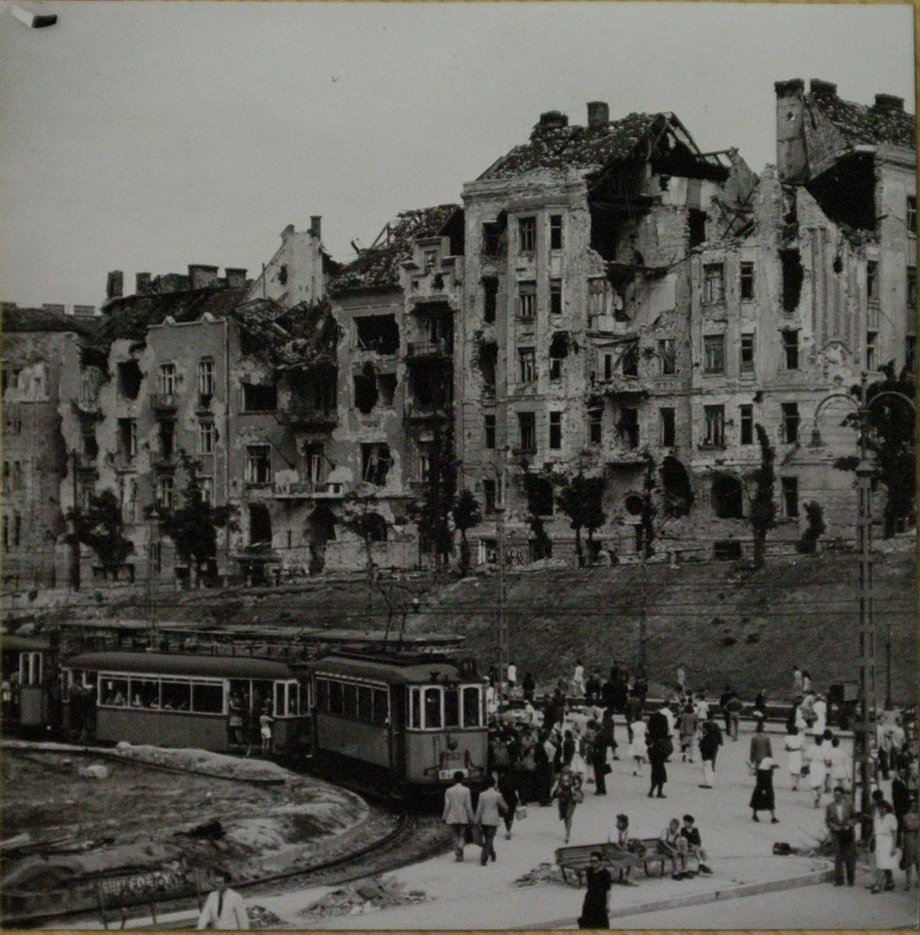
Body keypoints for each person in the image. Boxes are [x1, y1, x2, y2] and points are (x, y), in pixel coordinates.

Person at [824, 786, 857, 887]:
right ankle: (839, 880)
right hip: (837, 833)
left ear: (842, 795)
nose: (836, 796)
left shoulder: (849, 804)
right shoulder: (830, 806)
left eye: (838, 794)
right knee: (838, 856)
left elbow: (855, 817)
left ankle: (850, 879)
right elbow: (827, 820)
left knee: (849, 856)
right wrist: (834, 827)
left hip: (847, 833)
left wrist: (849, 824)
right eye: (835, 794)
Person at [473, 774, 507, 866]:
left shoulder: (482, 795)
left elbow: (479, 809)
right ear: (494, 783)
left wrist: (476, 820)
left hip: (484, 820)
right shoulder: (498, 795)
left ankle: (492, 854)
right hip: (493, 820)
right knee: (490, 839)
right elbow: (505, 807)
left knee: (488, 838)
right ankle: (484, 858)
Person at [443, 771, 474, 861]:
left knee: (455, 835)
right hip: (463, 815)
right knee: (462, 834)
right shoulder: (466, 790)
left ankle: (458, 855)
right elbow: (468, 806)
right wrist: (471, 818)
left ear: (454, 779)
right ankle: (461, 847)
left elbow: (447, 806)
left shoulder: (448, 790)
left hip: (452, 815)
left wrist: (444, 817)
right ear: (462, 779)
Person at [578, 852, 612, 929]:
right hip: (589, 899)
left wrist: (608, 904)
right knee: (587, 922)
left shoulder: (606, 874)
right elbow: (588, 885)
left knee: (600, 923)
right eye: (591, 861)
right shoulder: (589, 871)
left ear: (600, 862)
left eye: (595, 861)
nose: (593, 863)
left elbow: (608, 890)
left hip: (600, 900)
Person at [870, 800, 898, 893]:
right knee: (884, 863)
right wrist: (873, 842)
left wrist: (893, 847)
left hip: (888, 841)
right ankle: (890, 883)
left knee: (883, 864)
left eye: (883, 808)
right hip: (879, 842)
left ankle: (878, 885)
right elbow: (875, 832)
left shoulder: (891, 817)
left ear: (887, 808)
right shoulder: (877, 819)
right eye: (879, 808)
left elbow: (894, 833)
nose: (881, 810)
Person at [551, 767, 583, 844]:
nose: (566, 768)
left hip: (571, 798)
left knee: (568, 815)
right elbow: (554, 787)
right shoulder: (559, 776)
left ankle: (568, 834)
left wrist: (575, 788)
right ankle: (567, 831)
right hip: (562, 797)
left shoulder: (574, 775)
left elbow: (579, 784)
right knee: (564, 816)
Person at [646, 706, 671, 798]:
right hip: (662, 749)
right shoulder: (664, 733)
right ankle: (659, 791)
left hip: (653, 750)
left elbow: (647, 741)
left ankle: (651, 790)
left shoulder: (651, 733)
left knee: (654, 770)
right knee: (661, 770)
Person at [750, 755, 779, 823]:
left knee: (757, 803)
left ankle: (755, 815)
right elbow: (764, 781)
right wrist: (764, 790)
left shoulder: (761, 770)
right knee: (770, 803)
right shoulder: (766, 772)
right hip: (765, 789)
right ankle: (773, 817)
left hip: (760, 789)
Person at [612, 814, 638, 886]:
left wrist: (628, 847)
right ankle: (630, 880)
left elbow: (625, 842)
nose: (617, 823)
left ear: (623, 823)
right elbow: (615, 844)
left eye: (619, 822)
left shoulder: (625, 831)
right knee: (632, 857)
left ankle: (627, 878)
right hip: (613, 852)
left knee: (633, 856)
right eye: (617, 822)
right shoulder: (614, 830)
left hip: (620, 852)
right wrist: (624, 850)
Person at [698, 716, 722, 789]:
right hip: (710, 753)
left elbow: (704, 745)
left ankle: (708, 783)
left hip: (707, 754)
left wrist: (701, 743)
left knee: (707, 768)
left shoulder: (708, 737)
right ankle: (708, 782)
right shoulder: (713, 735)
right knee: (708, 768)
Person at [902, 796, 918, 890]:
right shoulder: (906, 816)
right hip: (909, 839)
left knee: (918, 862)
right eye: (912, 805)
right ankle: (908, 883)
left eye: (916, 806)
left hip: (918, 839)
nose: (914, 807)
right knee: (908, 862)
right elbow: (909, 826)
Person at [497, 770, 519, 841]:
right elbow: (516, 789)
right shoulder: (513, 778)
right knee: (511, 814)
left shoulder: (500, 779)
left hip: (504, 798)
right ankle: (509, 829)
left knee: (505, 814)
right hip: (513, 798)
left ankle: (507, 829)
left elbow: (499, 789)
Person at [784, 725, 804, 791]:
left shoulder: (788, 738)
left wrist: (788, 748)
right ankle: (797, 785)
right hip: (798, 753)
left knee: (792, 769)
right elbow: (802, 748)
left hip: (792, 753)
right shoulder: (800, 738)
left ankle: (793, 784)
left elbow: (786, 747)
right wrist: (803, 757)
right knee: (798, 769)